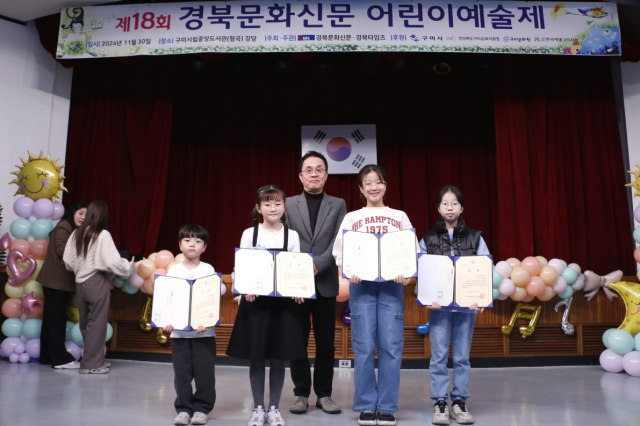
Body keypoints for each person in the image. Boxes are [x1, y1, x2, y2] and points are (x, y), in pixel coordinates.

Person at [332, 165, 418, 426]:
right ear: (361, 188)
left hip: (392, 287)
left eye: (378, 181)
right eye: (368, 183)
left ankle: (388, 406)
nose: (374, 187)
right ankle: (367, 405)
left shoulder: (399, 216)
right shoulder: (352, 218)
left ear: (385, 185)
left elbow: (411, 250)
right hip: (362, 288)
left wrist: (405, 272)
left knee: (391, 347)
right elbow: (339, 252)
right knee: (364, 347)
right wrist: (350, 271)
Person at [227, 185, 307, 426]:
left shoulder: (291, 236)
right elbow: (241, 267)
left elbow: (295, 267)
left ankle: (274, 409)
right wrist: (245, 288)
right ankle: (258, 409)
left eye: (278, 203)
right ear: (258, 208)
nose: (273, 208)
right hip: (256, 303)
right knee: (257, 357)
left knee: (279, 357)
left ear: (285, 207)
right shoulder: (249, 234)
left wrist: (298, 289)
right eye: (267, 204)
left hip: (283, 306)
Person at [420, 186, 489, 425]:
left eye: (454, 203)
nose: (450, 208)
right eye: (445, 204)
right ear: (438, 208)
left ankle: (459, 401)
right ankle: (439, 402)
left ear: (462, 208)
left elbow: (484, 268)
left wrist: (480, 298)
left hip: (466, 307)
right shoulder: (428, 238)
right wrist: (427, 296)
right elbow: (422, 269)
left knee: (461, 357)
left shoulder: (476, 237)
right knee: (438, 356)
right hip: (439, 308)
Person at [286, 151, 347, 415]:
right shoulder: (288, 204)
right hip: (295, 285)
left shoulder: (338, 204)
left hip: (325, 282)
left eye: (319, 169)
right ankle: (300, 394)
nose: (314, 174)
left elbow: (339, 240)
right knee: (297, 342)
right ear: (300, 176)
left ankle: (324, 394)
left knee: (326, 344)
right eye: (308, 170)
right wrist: (302, 268)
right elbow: (285, 240)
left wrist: (318, 264)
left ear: (326, 175)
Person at [63, 200, 132, 374]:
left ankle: (93, 360)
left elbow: (67, 261)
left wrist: (81, 267)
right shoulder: (102, 234)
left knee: (86, 323)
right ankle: (91, 365)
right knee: (97, 324)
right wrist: (127, 265)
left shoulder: (77, 233)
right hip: (96, 281)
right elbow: (113, 262)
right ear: (103, 216)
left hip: (80, 283)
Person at [164, 224, 217, 426]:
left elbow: (211, 299)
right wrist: (167, 321)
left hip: (203, 334)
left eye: (197, 241)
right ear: (180, 245)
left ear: (205, 247)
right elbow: (168, 299)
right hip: (180, 334)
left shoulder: (208, 269)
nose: (192, 244)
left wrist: (207, 321)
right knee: (182, 374)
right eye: (187, 240)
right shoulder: (173, 270)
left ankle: (202, 409)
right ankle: (184, 409)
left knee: (205, 374)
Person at [38, 202, 87, 369]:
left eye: (86, 215)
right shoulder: (64, 227)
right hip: (55, 282)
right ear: (73, 213)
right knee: (56, 321)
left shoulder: (72, 229)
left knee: (50, 320)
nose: (83, 217)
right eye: (80, 213)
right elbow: (62, 251)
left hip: (57, 282)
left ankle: (46, 356)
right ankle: (60, 360)